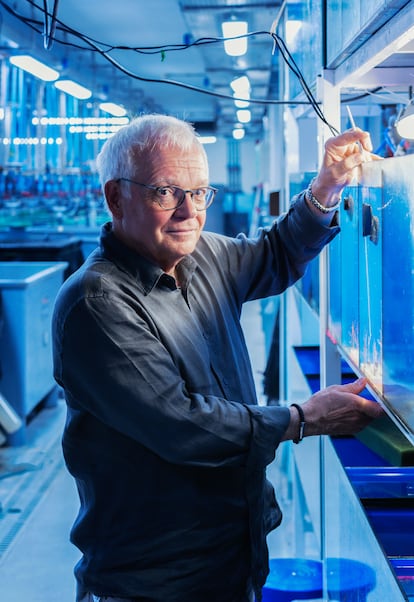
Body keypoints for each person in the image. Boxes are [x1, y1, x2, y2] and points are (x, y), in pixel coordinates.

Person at [52, 114, 383, 602]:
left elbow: (275, 254)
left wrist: (327, 185)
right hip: (152, 578)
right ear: (116, 198)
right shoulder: (97, 301)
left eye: (200, 192)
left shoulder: (199, 255)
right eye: (165, 192)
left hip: (232, 555)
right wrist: (301, 419)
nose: (189, 212)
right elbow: (181, 426)